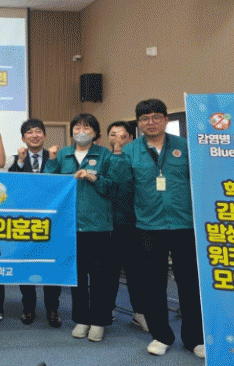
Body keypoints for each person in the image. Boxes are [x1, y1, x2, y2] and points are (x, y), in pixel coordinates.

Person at [109, 99, 204, 358]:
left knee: (189, 283)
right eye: (144, 119)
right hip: (148, 225)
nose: (150, 122)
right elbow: (121, 185)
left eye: (155, 117)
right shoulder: (130, 151)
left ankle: (194, 338)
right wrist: (117, 154)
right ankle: (161, 335)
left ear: (165, 119)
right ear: (138, 124)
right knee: (153, 284)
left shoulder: (185, 146)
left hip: (184, 224)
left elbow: (199, 180)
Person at [0, 118, 62, 326]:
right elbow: (13, 186)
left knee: (50, 268)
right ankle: (28, 309)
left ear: (44, 135)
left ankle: (53, 310)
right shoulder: (17, 159)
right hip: (25, 224)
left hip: (51, 223)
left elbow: (61, 182)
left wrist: (54, 160)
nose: (34, 135)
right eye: (29, 132)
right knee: (26, 267)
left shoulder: (55, 157)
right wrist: (19, 162)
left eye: (38, 131)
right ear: (23, 138)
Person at [45, 113, 115, 343]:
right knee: (77, 277)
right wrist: (52, 160)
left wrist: (93, 178)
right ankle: (82, 319)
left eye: (86, 128)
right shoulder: (63, 154)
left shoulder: (104, 155)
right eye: (77, 127)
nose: (81, 131)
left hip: (98, 225)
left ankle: (99, 321)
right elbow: (50, 184)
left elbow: (113, 188)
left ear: (96, 133)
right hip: (70, 226)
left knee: (100, 278)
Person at [106, 121, 148, 333]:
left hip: (136, 224)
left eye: (123, 135)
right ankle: (107, 310)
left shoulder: (140, 158)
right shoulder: (105, 159)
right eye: (113, 135)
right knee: (109, 271)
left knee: (137, 272)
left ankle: (139, 313)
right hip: (110, 224)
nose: (118, 139)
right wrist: (116, 154)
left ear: (131, 138)